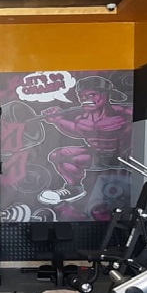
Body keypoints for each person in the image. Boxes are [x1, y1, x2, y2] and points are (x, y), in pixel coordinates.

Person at [37, 76, 133, 206]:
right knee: (57, 155)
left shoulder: (124, 113)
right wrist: (57, 120)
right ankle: (73, 189)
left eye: (91, 95)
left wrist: (59, 120)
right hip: (97, 156)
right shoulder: (83, 118)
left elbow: (92, 127)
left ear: (105, 95)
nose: (85, 99)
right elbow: (77, 131)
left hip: (123, 158)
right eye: (81, 96)